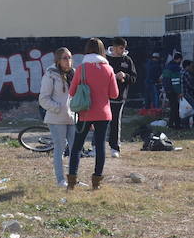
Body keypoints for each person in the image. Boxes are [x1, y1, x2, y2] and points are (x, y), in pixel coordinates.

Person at [67, 38, 119, 190]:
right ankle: (96, 183)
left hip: (84, 113)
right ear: (103, 51)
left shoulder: (82, 69)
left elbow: (71, 92)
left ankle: (71, 182)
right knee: (100, 147)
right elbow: (114, 94)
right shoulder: (108, 69)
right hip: (103, 114)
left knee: (77, 147)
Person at [40, 47, 78, 187]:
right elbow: (43, 99)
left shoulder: (74, 73)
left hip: (73, 118)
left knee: (75, 149)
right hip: (56, 119)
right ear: (58, 60)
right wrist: (58, 108)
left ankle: (73, 178)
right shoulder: (51, 74)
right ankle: (60, 180)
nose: (68, 61)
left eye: (70, 57)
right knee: (60, 148)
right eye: (65, 58)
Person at [106, 37, 137, 158]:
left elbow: (134, 78)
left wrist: (125, 75)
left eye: (124, 48)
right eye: (120, 48)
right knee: (100, 122)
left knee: (115, 122)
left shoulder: (127, 60)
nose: (123, 50)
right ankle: (95, 146)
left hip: (119, 97)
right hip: (104, 97)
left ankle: (115, 147)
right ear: (114, 47)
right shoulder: (105, 59)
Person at [161, 53, 184, 129]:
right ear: (179, 59)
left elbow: (164, 79)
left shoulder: (167, 66)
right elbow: (176, 81)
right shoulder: (175, 68)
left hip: (167, 90)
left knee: (173, 107)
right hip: (173, 90)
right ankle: (176, 125)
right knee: (175, 108)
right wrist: (179, 92)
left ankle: (171, 124)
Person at [181, 59, 194, 128]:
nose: (191, 68)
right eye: (190, 66)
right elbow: (190, 85)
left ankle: (186, 125)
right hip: (187, 94)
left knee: (186, 110)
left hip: (182, 95)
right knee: (193, 109)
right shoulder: (186, 73)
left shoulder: (180, 72)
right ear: (187, 66)